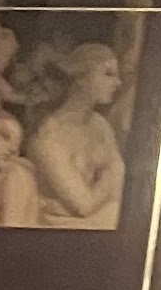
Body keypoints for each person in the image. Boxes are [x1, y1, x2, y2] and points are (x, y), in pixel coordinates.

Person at [28, 41, 129, 230]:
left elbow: (120, 182)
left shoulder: (100, 125)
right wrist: (112, 175)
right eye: (108, 74)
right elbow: (83, 205)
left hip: (95, 219)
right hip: (57, 227)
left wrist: (113, 176)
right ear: (81, 79)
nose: (118, 83)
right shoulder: (48, 135)